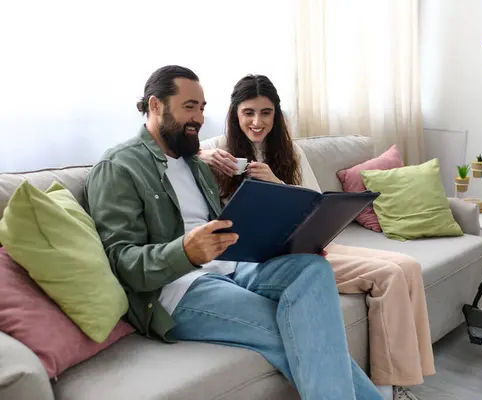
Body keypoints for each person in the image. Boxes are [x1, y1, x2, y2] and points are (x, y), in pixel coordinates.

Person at [83, 65, 384, 400]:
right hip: (177, 289)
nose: (197, 117)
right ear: (155, 106)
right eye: (189, 107)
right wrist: (185, 252)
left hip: (232, 264)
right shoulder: (118, 166)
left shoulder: (195, 162)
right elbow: (121, 261)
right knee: (299, 328)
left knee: (312, 269)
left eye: (201, 107)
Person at [199, 74, 436, 400]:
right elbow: (175, 154)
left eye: (266, 112)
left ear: (276, 114)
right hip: (270, 259)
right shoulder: (220, 150)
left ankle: (404, 385)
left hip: (308, 243)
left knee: (407, 266)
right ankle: (388, 389)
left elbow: (311, 202)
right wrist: (204, 155)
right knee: (390, 274)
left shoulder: (289, 151)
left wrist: (276, 184)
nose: (257, 121)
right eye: (248, 112)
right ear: (235, 113)